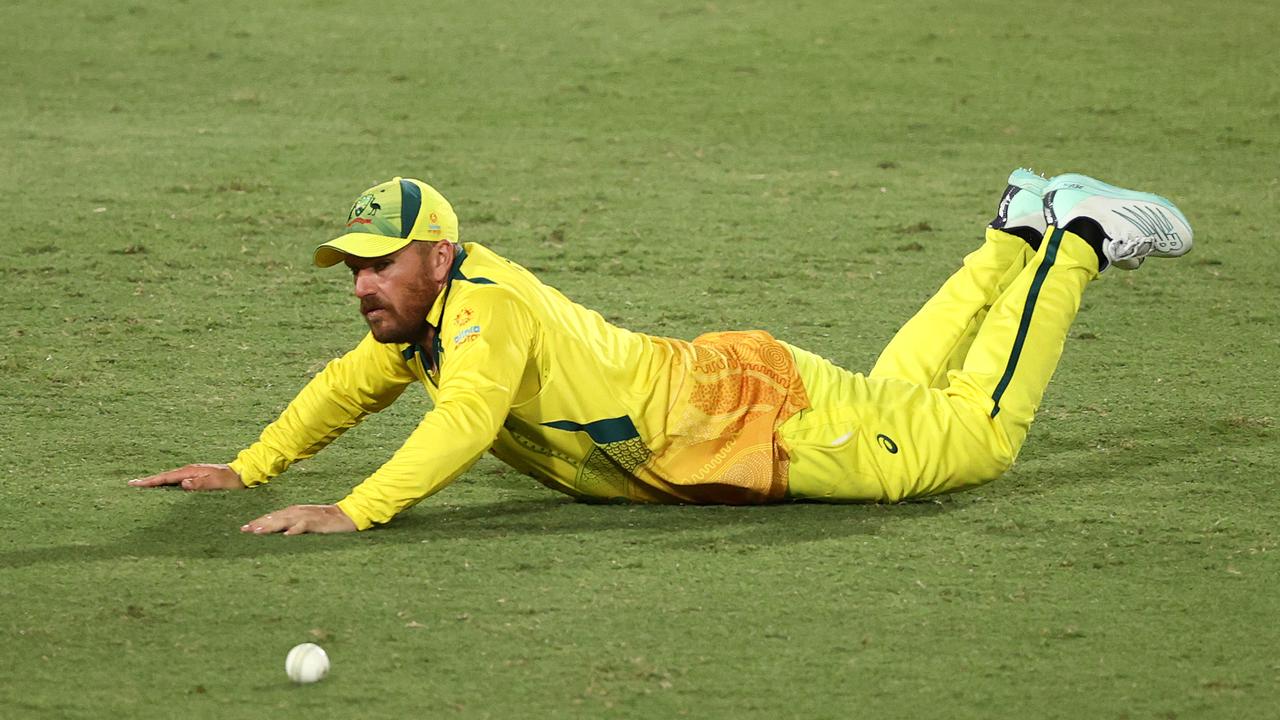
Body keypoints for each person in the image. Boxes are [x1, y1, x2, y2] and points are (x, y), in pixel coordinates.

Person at [130, 170, 1193, 534]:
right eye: (353, 266)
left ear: (438, 255)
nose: (361, 284)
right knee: (892, 398)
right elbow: (345, 389)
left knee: (972, 436)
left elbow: (463, 423)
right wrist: (251, 467)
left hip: (750, 422)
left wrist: (354, 509)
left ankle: (1077, 241)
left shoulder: (481, 311)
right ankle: (1012, 231)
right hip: (729, 397)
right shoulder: (422, 328)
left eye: (379, 264)